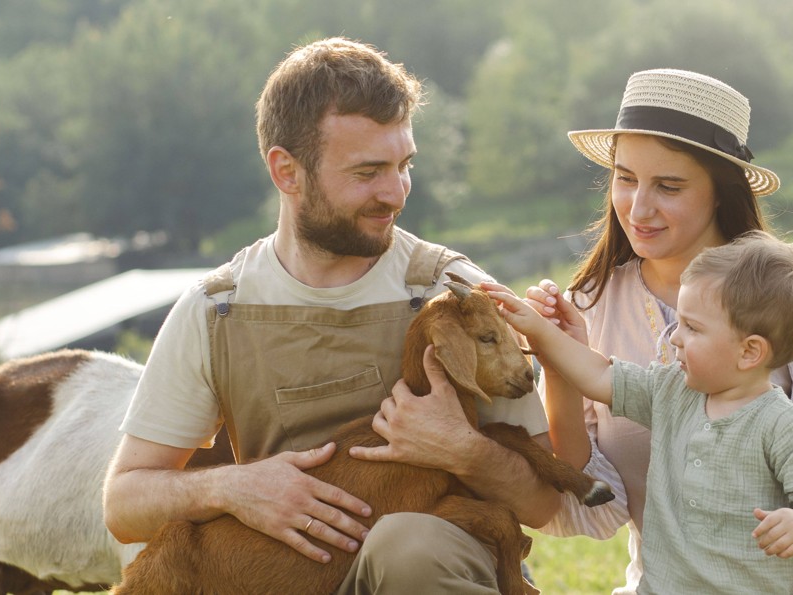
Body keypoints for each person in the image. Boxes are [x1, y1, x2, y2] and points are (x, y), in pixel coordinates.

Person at [102, 37, 560, 594]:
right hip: (289, 575)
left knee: (409, 547)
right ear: (287, 172)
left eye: (404, 165)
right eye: (368, 172)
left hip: (434, 568)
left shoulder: (454, 296)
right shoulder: (216, 310)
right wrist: (233, 488)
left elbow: (544, 500)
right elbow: (125, 502)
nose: (395, 193)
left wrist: (466, 452)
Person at [524, 68, 793, 594]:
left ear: (720, 192)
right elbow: (589, 503)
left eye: (669, 186)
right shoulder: (588, 306)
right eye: (625, 177)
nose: (638, 208)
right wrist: (558, 360)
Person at [490, 231, 793, 593]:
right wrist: (538, 329)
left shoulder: (782, 424)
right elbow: (597, 374)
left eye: (692, 328)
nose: (675, 336)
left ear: (749, 352)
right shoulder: (671, 390)